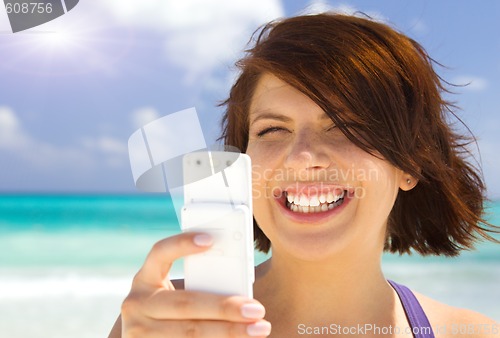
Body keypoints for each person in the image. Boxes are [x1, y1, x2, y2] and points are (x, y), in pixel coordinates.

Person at [109, 13, 499, 338]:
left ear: (410, 163)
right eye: (272, 130)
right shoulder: (161, 323)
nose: (302, 158)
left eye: (346, 128)